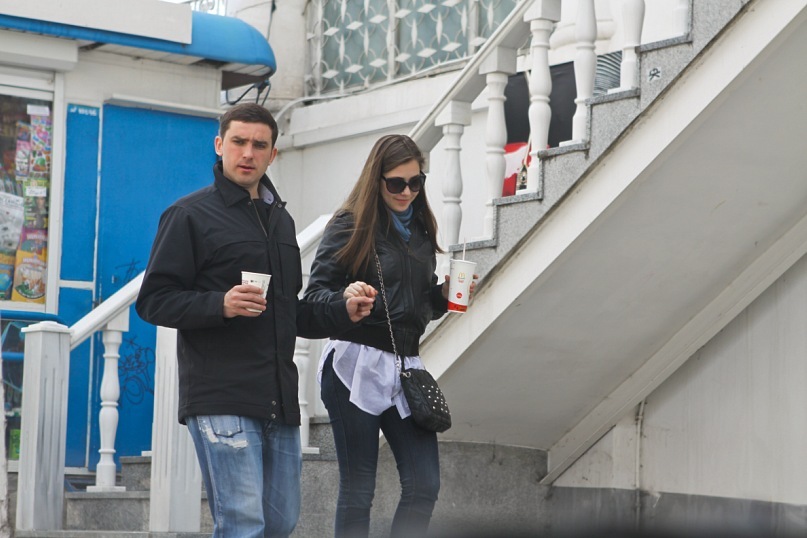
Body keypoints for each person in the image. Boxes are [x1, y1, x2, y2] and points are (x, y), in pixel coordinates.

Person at [135, 102, 375, 538]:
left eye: (259, 145)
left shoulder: (281, 220)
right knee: (243, 525)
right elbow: (154, 301)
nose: (248, 153)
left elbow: (289, 312)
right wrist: (221, 304)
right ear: (219, 145)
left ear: (273, 154)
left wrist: (341, 310)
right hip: (221, 396)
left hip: (278, 399)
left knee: (280, 523)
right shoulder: (188, 215)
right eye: (239, 142)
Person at [304, 134, 474, 537]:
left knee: (424, 484)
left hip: (405, 366)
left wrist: (441, 297)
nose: (407, 192)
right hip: (354, 362)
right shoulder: (350, 224)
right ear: (376, 179)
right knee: (359, 490)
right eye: (396, 182)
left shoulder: (421, 229)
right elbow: (315, 296)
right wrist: (346, 297)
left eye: (416, 182)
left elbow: (417, 305)